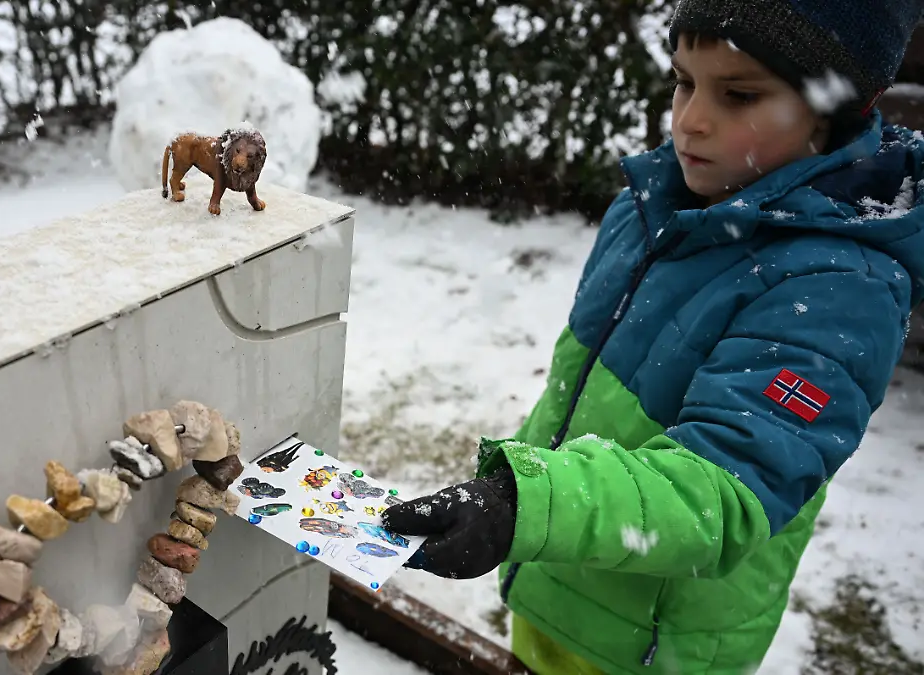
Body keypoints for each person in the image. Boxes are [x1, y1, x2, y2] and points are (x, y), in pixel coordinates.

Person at [380, 1, 924, 673]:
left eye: (739, 94)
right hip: (560, 577)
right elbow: (581, 389)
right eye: (684, 80)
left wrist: (526, 503)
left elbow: (721, 491)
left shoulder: (840, 287)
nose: (691, 118)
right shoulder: (654, 203)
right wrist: (522, 503)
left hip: (648, 647)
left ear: (835, 107)